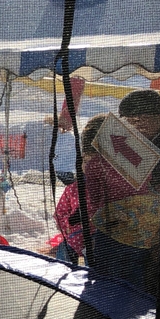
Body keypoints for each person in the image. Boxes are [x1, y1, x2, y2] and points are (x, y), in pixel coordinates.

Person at [85, 89, 160, 294]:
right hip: (126, 225)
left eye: (142, 119)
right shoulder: (123, 143)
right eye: (129, 121)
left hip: (159, 224)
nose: (137, 125)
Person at [53, 113, 107, 263]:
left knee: (95, 260)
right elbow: (60, 213)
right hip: (75, 238)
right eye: (86, 160)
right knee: (64, 251)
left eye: (97, 162)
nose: (90, 167)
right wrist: (70, 224)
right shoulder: (74, 188)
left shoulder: (114, 187)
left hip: (101, 241)